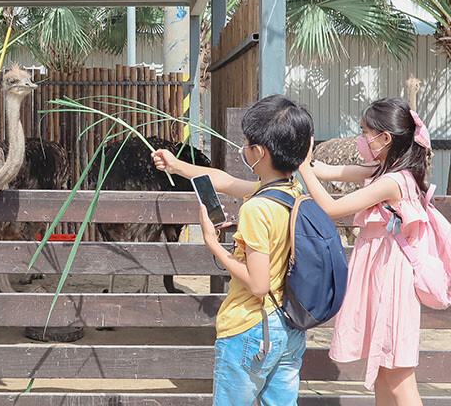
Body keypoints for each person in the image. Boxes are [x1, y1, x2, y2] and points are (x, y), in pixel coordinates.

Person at [151, 94, 313, 406]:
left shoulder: (257, 208)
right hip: (288, 330)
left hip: (249, 328)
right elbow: (224, 181)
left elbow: (258, 283)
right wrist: (176, 164)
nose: (244, 149)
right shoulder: (292, 193)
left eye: (248, 143)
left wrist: (214, 245)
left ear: (260, 152)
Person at [299, 97, 431, 405]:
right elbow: (332, 171)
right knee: (384, 373)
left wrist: (304, 170)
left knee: (399, 376)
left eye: (364, 131)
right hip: (382, 273)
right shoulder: (382, 168)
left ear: (385, 138)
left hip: (391, 278)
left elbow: (332, 208)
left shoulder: (394, 181)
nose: (360, 138)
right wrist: (304, 162)